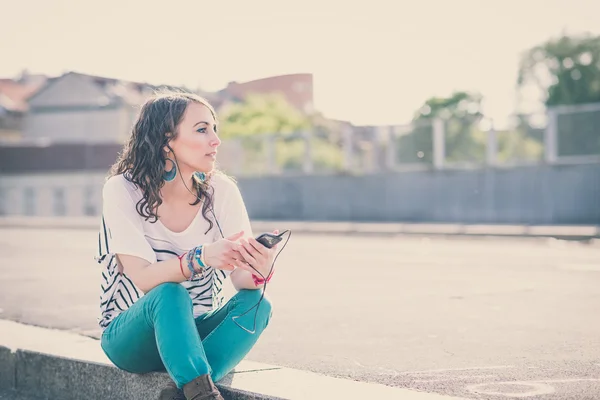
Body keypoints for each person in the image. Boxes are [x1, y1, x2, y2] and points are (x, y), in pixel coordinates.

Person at [94, 90, 279, 400]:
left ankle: (189, 392)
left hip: (193, 334)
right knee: (169, 292)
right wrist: (202, 257)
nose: (216, 140)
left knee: (258, 303)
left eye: (215, 129)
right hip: (131, 339)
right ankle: (201, 394)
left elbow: (242, 281)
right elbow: (142, 278)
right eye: (202, 129)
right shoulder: (122, 189)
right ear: (167, 139)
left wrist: (260, 266)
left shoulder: (222, 191)